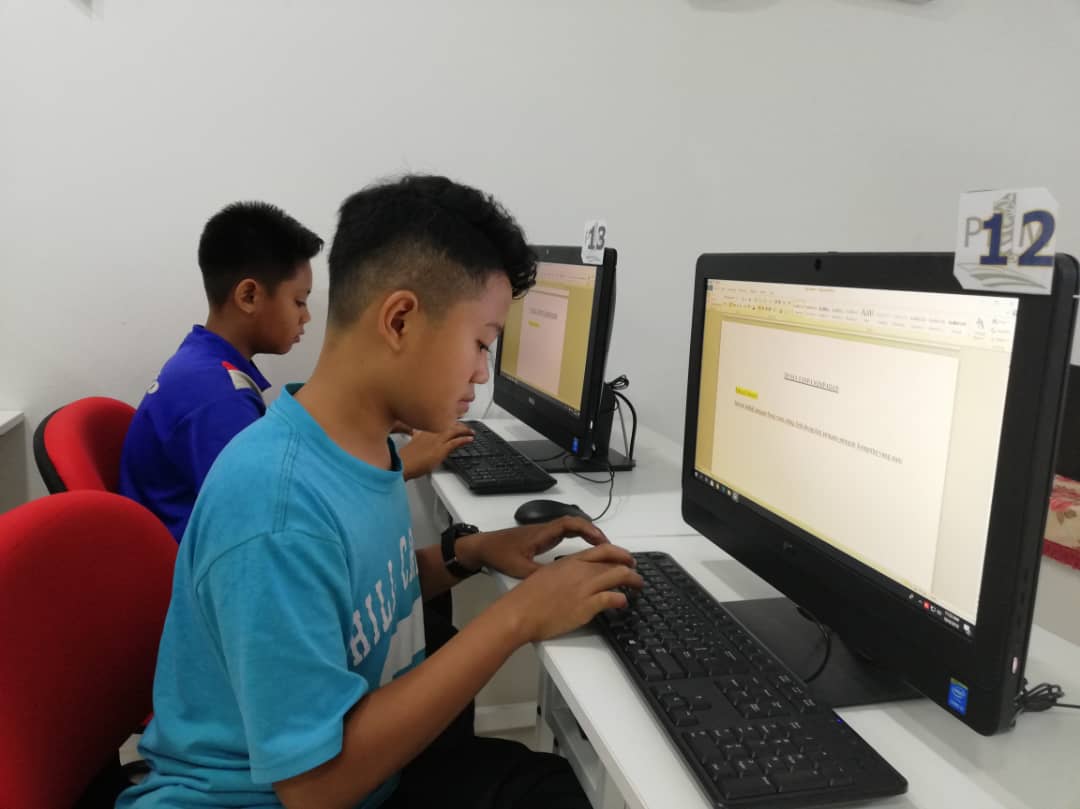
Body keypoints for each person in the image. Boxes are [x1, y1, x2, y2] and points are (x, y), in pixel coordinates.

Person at [117, 175, 641, 809]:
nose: (482, 373)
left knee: (550, 784)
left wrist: (468, 553)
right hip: (265, 797)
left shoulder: (358, 446)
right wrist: (517, 617)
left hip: (352, 773)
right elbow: (314, 788)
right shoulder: (277, 508)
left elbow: (359, 598)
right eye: (480, 343)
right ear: (400, 320)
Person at [119, 200, 470, 542]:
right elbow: (274, 513)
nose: (306, 316)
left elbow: (274, 452)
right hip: (189, 567)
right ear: (249, 296)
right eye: (298, 301)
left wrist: (359, 423)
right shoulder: (217, 398)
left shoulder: (203, 365)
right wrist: (402, 465)